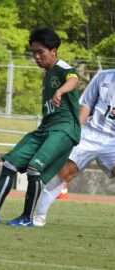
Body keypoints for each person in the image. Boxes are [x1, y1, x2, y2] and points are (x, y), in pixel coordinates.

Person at [0, 27, 81, 226]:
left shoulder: (62, 67)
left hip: (64, 129)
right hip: (46, 128)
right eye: (33, 53)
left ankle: (27, 218)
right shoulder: (47, 74)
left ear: (53, 51)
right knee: (10, 162)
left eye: (40, 52)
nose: (36, 57)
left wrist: (60, 91)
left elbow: (74, 79)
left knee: (34, 168)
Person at [33, 69, 115, 227]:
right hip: (90, 133)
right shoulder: (103, 76)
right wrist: (75, 132)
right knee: (64, 172)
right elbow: (87, 105)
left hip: (113, 141)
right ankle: (39, 215)